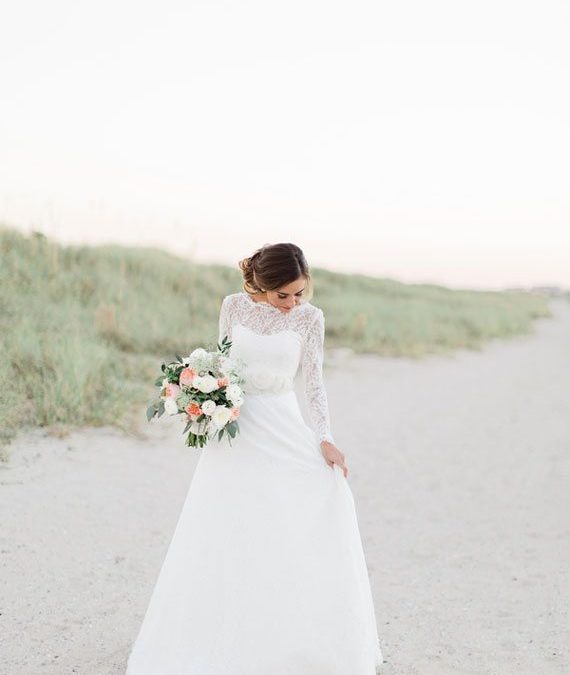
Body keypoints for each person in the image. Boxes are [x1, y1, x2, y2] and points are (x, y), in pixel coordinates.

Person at [125, 242, 384, 674]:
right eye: (283, 295)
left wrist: (325, 438)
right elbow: (221, 365)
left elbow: (314, 385)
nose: (292, 303)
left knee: (302, 511)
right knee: (228, 526)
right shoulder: (233, 307)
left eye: (299, 293)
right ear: (259, 286)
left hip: (283, 428)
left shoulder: (309, 318)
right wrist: (203, 397)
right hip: (237, 432)